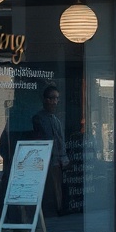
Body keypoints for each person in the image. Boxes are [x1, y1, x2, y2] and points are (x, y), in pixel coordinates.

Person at [33, 84, 70, 215]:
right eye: (52, 98)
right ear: (45, 100)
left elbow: (60, 141)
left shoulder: (56, 120)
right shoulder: (39, 118)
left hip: (56, 161)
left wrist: (63, 157)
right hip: (44, 161)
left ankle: (58, 209)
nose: (55, 102)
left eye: (56, 99)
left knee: (57, 188)